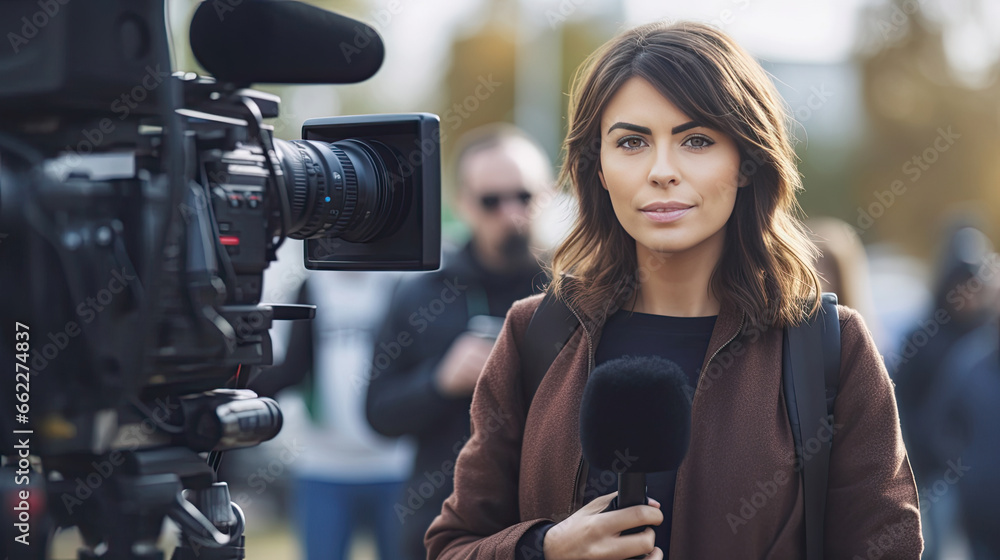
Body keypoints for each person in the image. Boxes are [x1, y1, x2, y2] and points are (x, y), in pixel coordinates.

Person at [425, 21, 922, 560]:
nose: (662, 171)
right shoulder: (534, 333)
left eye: (697, 140)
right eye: (632, 142)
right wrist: (542, 549)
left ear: (746, 162)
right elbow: (452, 546)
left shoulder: (830, 346)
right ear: (600, 169)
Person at [365, 123, 553, 560]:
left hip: (551, 527)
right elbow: (377, 412)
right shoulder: (420, 292)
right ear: (463, 203)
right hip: (441, 526)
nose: (511, 213)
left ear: (547, 192)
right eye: (492, 201)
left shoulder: (577, 289)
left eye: (523, 196)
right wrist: (439, 380)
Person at [252, 239, 414, 560]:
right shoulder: (313, 286)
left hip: (394, 464)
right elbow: (293, 368)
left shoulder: (399, 284)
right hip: (324, 465)